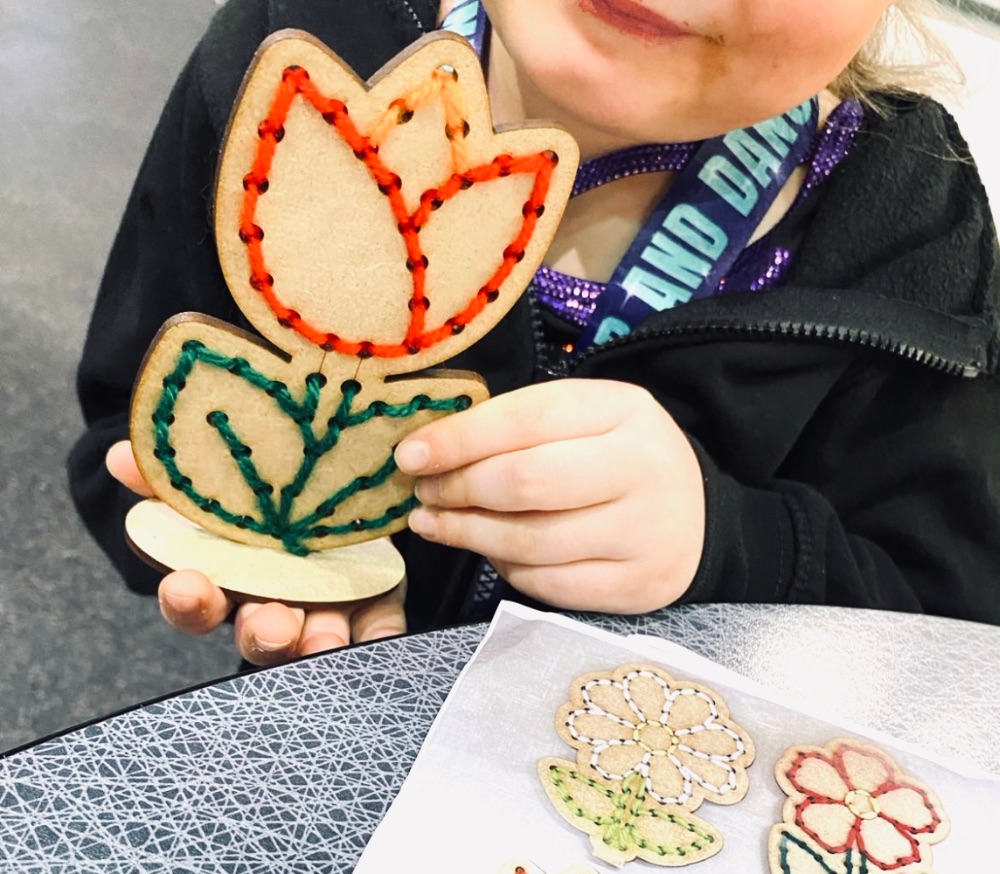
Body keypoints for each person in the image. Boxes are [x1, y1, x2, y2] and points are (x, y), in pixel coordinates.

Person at [68, 0, 1000, 667]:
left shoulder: (915, 223)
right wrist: (247, 553)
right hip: (314, 735)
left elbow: (946, 631)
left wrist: (724, 547)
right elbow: (131, 416)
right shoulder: (296, 50)